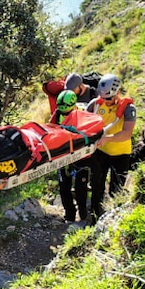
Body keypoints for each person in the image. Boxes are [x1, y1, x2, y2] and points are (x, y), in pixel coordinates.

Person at [87, 75, 137, 220]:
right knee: (97, 185)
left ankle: (114, 219)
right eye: (104, 98)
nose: (106, 102)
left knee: (116, 189)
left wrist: (107, 138)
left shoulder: (128, 108)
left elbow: (127, 134)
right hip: (100, 153)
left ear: (117, 93)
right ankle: (94, 217)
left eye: (109, 99)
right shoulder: (95, 104)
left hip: (120, 154)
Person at [50, 90, 90, 224]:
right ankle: (69, 214)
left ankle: (83, 214)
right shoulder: (58, 113)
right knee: (64, 186)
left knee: (81, 187)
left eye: (67, 112)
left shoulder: (83, 112)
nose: (65, 114)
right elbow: (51, 128)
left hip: (81, 156)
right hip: (63, 155)